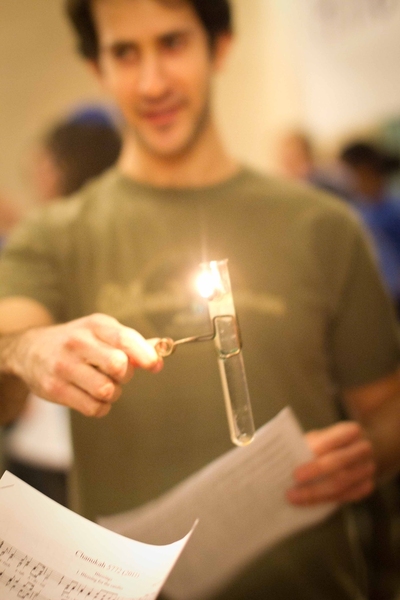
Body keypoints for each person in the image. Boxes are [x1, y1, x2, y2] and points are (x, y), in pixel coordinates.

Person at [0, 1, 400, 598]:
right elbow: (9, 349)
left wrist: (370, 451)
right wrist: (27, 350)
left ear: (219, 45)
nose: (153, 81)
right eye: (125, 53)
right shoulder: (54, 236)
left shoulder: (322, 226)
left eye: (172, 43)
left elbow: (388, 407)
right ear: (97, 67)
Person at [2, 106, 122, 506]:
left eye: (43, 164)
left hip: (51, 448)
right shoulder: (48, 236)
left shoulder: (52, 235)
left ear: (59, 167)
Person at [340, 140, 400, 318]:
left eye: (349, 173)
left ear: (364, 171)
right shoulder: (356, 210)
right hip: (380, 297)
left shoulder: (393, 208)